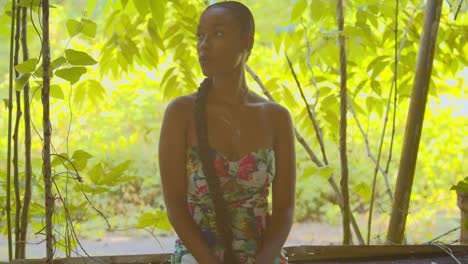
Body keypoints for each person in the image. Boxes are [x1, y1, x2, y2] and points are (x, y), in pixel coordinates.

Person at [158, 1, 296, 263]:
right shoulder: (180, 114)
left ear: (248, 42)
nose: (204, 45)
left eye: (218, 34)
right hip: (198, 256)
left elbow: (284, 209)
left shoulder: (277, 118)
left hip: (262, 256)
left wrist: (265, 260)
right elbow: (176, 208)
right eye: (200, 36)